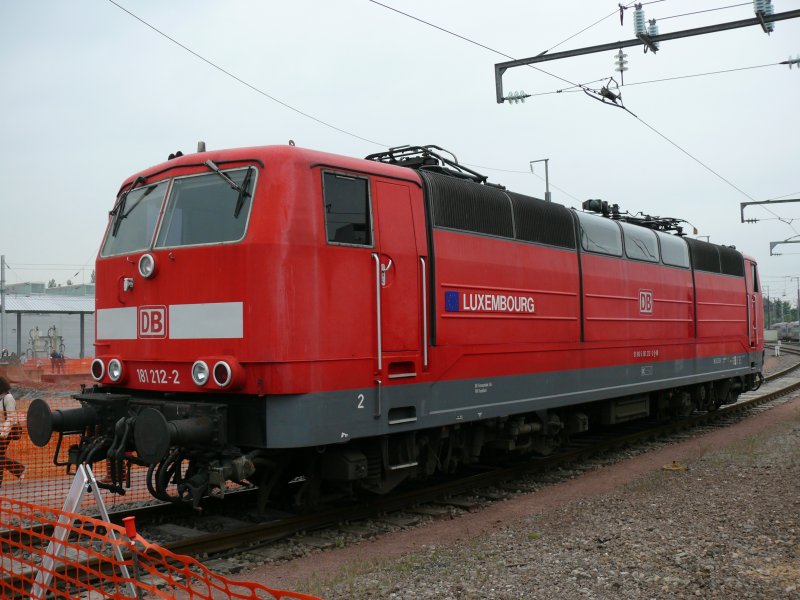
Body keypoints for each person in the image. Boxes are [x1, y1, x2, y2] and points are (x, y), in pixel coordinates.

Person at [0, 375, 25, 485]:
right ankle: (19, 470)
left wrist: (3, 433)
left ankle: (19, 469)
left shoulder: (8, 398)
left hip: (8, 431)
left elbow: (11, 418)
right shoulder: (0, 398)